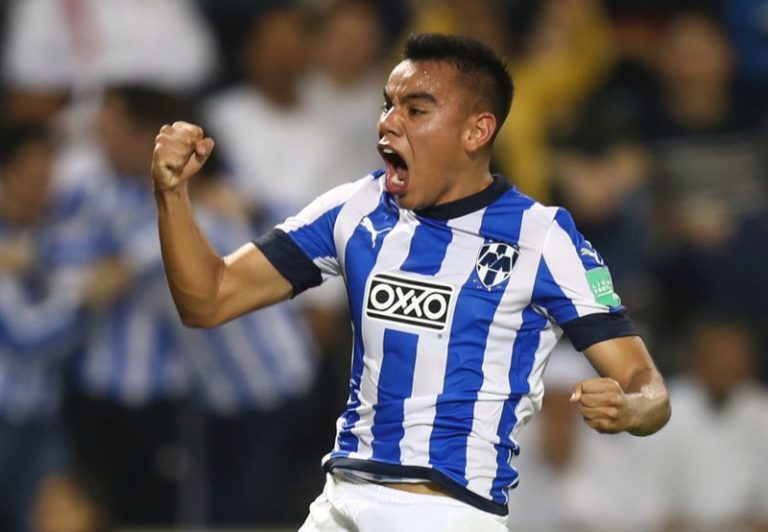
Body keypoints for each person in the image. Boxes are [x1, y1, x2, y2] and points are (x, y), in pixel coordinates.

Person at [152, 33, 671, 531]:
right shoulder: (355, 208)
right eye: (387, 105)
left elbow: (649, 390)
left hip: (445, 509)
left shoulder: (541, 236)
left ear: (476, 131)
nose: (388, 124)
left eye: (416, 110)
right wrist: (172, 195)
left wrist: (630, 409)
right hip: (341, 498)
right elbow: (208, 299)